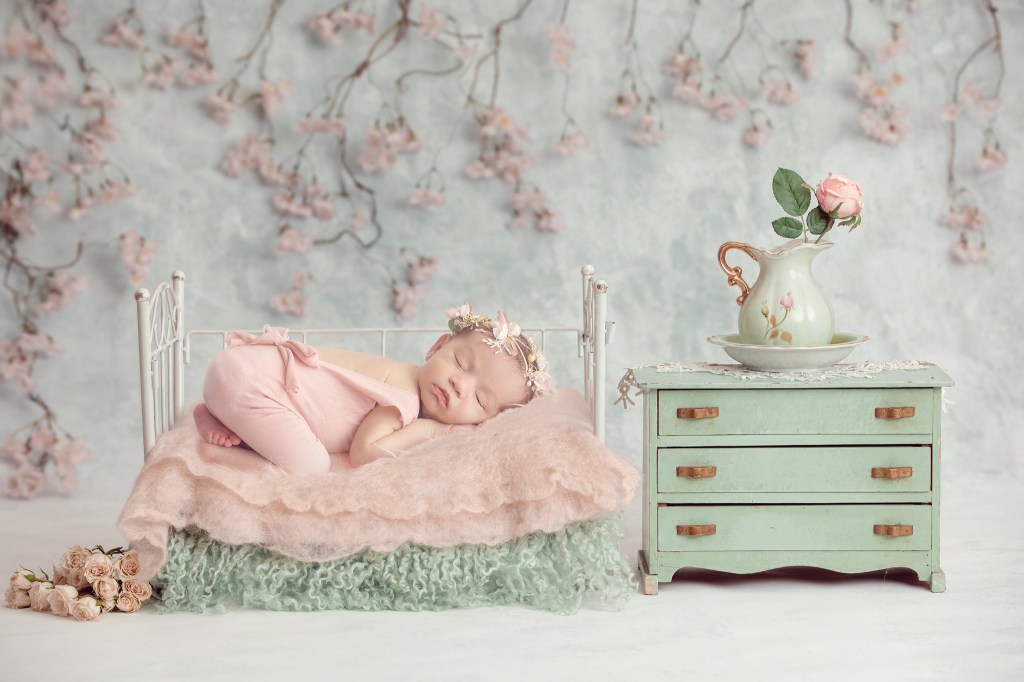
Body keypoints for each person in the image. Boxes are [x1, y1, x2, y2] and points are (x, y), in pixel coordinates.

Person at [192, 303, 552, 474]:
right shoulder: (404, 397)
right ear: (438, 346)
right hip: (251, 380)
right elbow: (364, 453)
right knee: (312, 467)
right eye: (460, 362)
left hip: (241, 371)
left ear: (484, 421)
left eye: (478, 398)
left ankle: (225, 415)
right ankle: (219, 455)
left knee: (293, 441)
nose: (460, 385)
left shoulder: (404, 377)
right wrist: (434, 430)